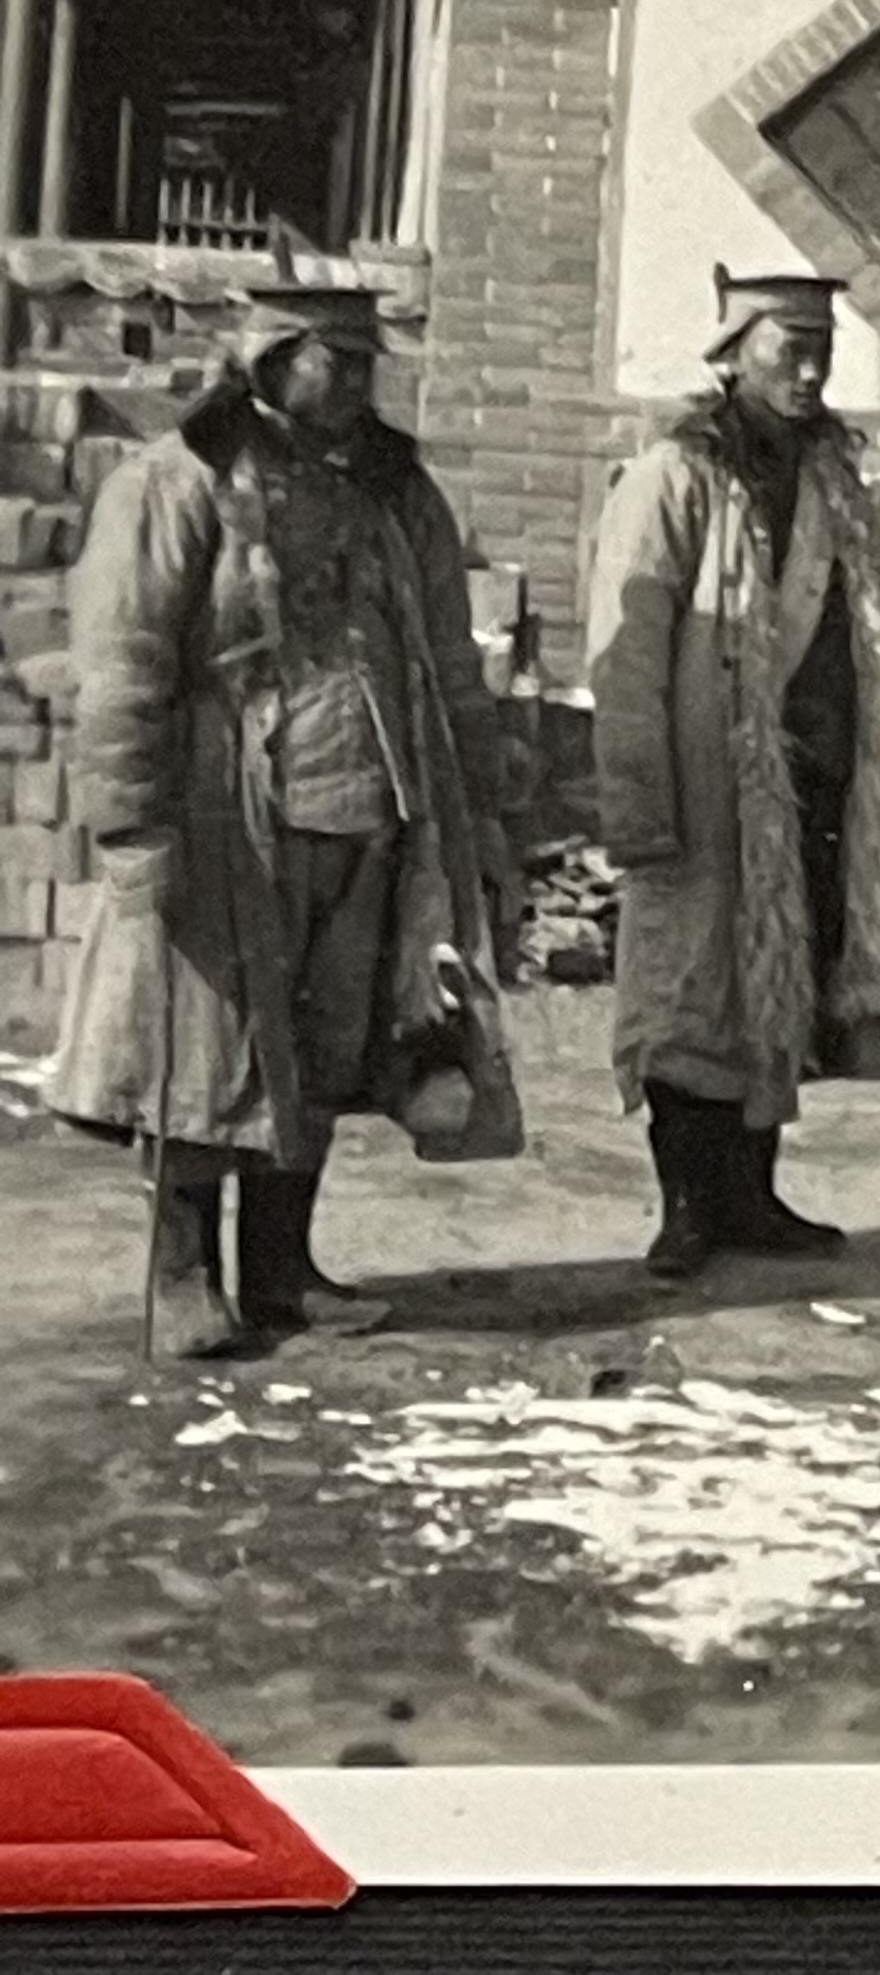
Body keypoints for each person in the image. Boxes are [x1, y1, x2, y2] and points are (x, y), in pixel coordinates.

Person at [47, 284, 522, 1357]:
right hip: (225, 813)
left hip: (367, 810)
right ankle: (182, 1279)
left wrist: (479, 804)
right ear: (269, 357)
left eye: (366, 361)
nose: (356, 381)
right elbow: (122, 662)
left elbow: (449, 656)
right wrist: (131, 824)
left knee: (321, 1048)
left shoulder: (395, 490)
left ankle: (282, 1272)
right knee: (202, 1048)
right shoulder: (177, 482)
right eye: (332, 359)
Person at [586, 268, 880, 1280]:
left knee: (784, 982)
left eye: (823, 350)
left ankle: (751, 1193)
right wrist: (638, 800)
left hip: (814, 783)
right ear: (736, 354)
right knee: (691, 989)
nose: (811, 370)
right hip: (708, 782)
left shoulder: (835, 484)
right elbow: (629, 650)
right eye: (791, 348)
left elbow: (877, 622)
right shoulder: (676, 477)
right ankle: (686, 1206)